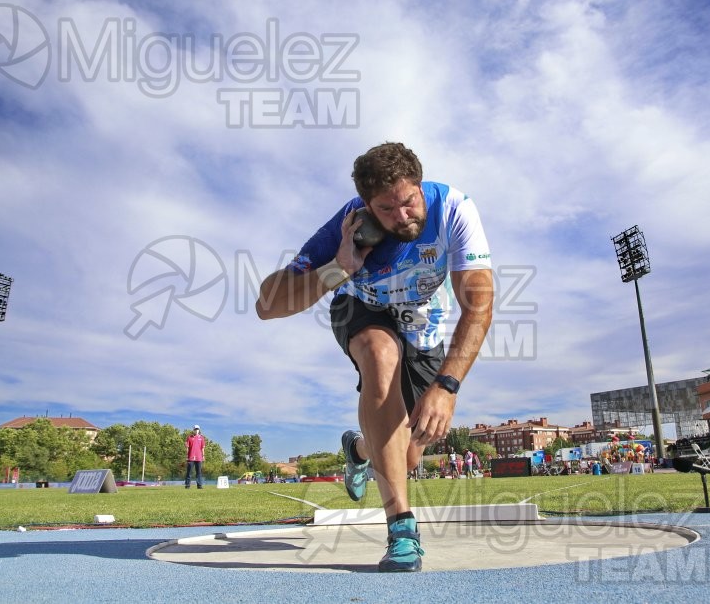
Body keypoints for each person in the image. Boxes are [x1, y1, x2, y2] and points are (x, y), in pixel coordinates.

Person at [256, 142, 494, 572]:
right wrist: (338, 268)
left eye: (409, 201)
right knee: (379, 355)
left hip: (424, 325)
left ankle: (359, 450)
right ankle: (401, 528)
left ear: (420, 186)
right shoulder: (347, 224)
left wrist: (446, 385)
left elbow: (478, 304)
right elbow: (267, 305)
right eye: (387, 209)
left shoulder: (455, 210)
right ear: (367, 205)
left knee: (406, 455)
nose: (403, 216)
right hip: (360, 307)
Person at [184, 425, 206, 489]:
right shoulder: (189, 437)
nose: (196, 430)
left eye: (197, 429)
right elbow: (187, 448)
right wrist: (187, 456)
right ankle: (187, 485)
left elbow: (202, 448)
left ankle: (199, 485)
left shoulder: (202, 438)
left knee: (199, 472)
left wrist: (203, 456)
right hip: (191, 457)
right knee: (189, 472)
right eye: (195, 429)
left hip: (199, 458)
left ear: (199, 430)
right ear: (193, 430)